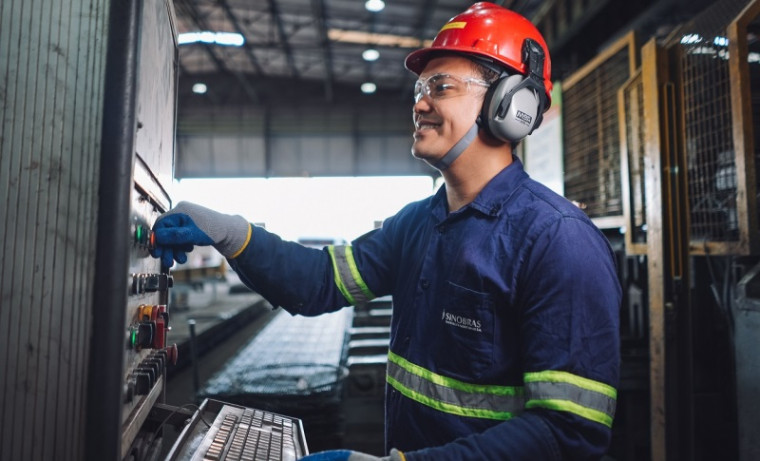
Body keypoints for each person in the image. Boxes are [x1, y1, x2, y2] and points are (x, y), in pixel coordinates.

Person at [151, 3, 621, 460]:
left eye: (441, 86)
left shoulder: (557, 241)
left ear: (511, 106)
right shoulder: (417, 224)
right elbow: (318, 283)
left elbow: (568, 434)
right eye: (420, 86)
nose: (419, 103)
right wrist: (231, 232)